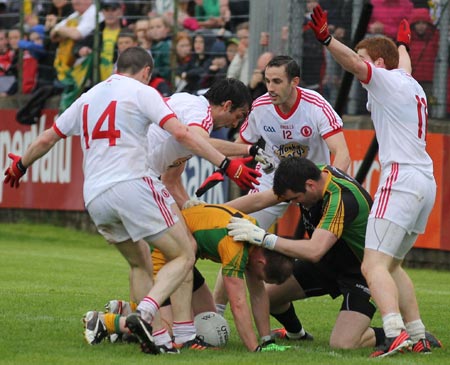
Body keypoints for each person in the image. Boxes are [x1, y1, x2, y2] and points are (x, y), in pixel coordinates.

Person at [3, 47, 261, 356]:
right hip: (134, 183)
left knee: (140, 262)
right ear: (147, 73)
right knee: (185, 253)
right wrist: (227, 164)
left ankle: (162, 338)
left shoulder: (88, 96)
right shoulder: (148, 93)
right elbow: (184, 134)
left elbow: (47, 138)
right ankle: (153, 316)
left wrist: (21, 166)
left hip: (95, 195)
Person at [308, 5, 437, 357]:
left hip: (400, 177)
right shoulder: (408, 81)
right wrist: (403, 43)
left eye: (367, 57)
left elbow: (353, 62)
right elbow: (403, 63)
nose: (360, 62)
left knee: (372, 265)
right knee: (392, 265)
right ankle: (417, 333)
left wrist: (328, 40)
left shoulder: (384, 78)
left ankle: (394, 331)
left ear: (379, 63)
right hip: (425, 180)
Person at [84, 203, 294, 352]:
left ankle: (127, 308)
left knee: (208, 317)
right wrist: (254, 348)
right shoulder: (238, 248)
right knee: (165, 332)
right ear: (262, 263)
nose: (259, 281)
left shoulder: (253, 235)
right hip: (166, 252)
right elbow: (239, 303)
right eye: (264, 278)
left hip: (183, 256)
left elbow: (258, 295)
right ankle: (105, 322)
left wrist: (266, 340)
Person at [226, 157, 380, 349]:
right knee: (269, 297)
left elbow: (315, 250)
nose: (293, 203)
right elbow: (259, 200)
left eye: (295, 199)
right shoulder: (306, 178)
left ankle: (397, 334)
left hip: (361, 272)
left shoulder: (342, 199)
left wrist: (263, 238)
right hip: (328, 262)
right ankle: (297, 334)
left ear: (310, 186)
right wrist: (212, 211)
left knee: (343, 344)